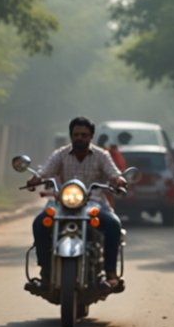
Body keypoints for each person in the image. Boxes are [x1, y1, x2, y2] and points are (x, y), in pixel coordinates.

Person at [25, 116, 127, 290]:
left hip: (94, 203)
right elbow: (45, 170)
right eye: (76, 134)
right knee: (39, 223)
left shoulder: (102, 155)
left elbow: (114, 173)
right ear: (71, 135)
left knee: (113, 224)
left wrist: (118, 180)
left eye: (84, 135)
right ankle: (46, 271)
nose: (80, 138)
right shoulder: (61, 154)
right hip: (63, 203)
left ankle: (111, 272)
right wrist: (35, 179)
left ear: (91, 136)